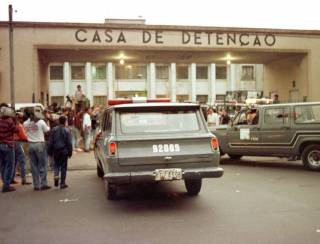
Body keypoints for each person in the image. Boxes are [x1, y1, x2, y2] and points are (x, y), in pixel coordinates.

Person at [23, 110, 51, 191]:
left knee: (33, 165)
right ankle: (43, 184)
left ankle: (36, 185)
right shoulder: (41, 121)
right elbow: (47, 131)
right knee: (43, 164)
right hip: (40, 144)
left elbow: (26, 131)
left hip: (30, 145)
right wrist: (48, 124)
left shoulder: (25, 123)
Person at [47, 116, 72, 189]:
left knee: (56, 165)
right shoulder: (67, 131)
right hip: (64, 151)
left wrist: (50, 152)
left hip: (56, 151)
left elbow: (51, 141)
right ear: (65, 122)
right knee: (63, 167)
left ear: (59, 121)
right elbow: (69, 143)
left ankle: (56, 177)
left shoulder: (54, 130)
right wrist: (70, 152)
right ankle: (62, 183)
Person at [11, 112, 31, 185]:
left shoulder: (10, 124)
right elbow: (23, 136)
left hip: (11, 143)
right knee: (22, 161)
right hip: (18, 143)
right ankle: (23, 179)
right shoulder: (19, 125)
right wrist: (28, 139)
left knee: (14, 161)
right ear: (19, 118)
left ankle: (11, 178)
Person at [0, 104, 17, 193]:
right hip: (8, 145)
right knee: (9, 165)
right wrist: (15, 119)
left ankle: (4, 183)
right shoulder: (9, 121)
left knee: (2, 165)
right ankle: (6, 185)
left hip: (0, 144)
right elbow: (16, 130)